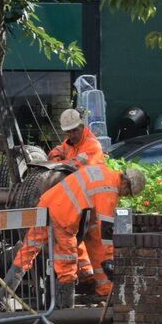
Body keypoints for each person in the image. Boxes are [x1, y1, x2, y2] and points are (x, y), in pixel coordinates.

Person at [2, 163, 146, 309]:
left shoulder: (100, 170)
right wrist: (109, 261)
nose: (124, 195)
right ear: (126, 184)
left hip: (46, 205)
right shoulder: (109, 191)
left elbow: (91, 212)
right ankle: (64, 309)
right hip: (63, 216)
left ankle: (2, 297)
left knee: (27, 251)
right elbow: (106, 230)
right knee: (67, 263)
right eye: (127, 193)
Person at [49, 107, 106, 288]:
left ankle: (105, 288)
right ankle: (87, 276)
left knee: (95, 244)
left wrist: (57, 163)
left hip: (95, 203)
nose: (71, 134)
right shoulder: (69, 144)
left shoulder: (91, 145)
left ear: (82, 126)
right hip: (80, 201)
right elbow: (55, 152)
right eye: (68, 131)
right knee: (77, 238)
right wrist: (57, 157)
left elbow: (73, 167)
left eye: (74, 130)